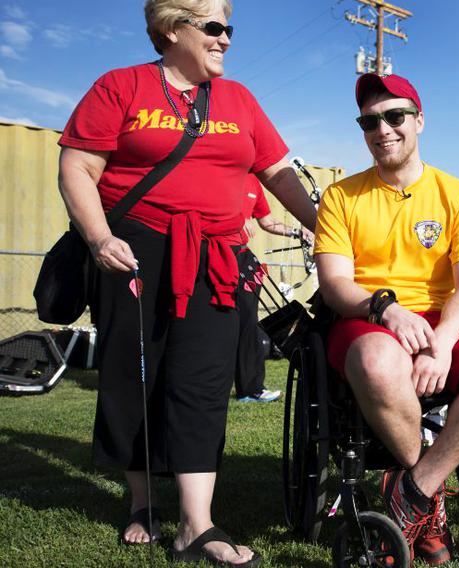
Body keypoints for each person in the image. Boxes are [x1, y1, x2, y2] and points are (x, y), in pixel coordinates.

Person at [56, 1, 316, 566]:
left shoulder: (240, 100)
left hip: (218, 257)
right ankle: (142, 503)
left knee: (202, 379)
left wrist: (325, 224)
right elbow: (77, 167)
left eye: (230, 29)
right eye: (214, 28)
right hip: (134, 250)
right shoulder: (120, 87)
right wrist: (100, 239)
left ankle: (195, 525)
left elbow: (276, 172)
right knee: (133, 374)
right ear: (172, 30)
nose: (226, 39)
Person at [314, 73, 459, 565]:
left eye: (395, 116)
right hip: (367, 315)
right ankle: (426, 501)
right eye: (369, 121)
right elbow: (335, 286)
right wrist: (385, 308)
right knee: (377, 360)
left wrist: (441, 341)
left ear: (419, 121)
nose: (382, 129)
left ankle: (412, 489)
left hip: (442, 318)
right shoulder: (340, 197)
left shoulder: (458, 194)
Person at [234, 174, 310, 403]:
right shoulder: (217, 172)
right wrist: (234, 220)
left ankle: (251, 389)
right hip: (211, 254)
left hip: (241, 257)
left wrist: (298, 232)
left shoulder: (253, 183)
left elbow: (267, 222)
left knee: (248, 322)